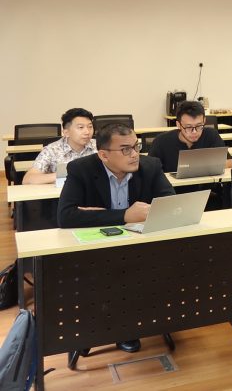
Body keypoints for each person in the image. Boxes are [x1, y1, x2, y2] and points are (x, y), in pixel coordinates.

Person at [57, 122, 175, 355]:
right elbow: (66, 216)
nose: (134, 154)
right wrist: (123, 215)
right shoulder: (81, 169)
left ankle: (128, 328)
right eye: (125, 149)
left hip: (139, 246)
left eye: (136, 146)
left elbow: (169, 205)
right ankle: (96, 330)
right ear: (104, 155)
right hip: (96, 248)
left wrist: (97, 214)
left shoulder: (150, 166)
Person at [147, 100, 229, 173]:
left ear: (204, 121)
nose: (194, 132)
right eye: (188, 127)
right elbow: (150, 171)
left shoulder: (211, 135)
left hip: (207, 185)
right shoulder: (161, 142)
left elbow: (229, 163)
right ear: (178, 125)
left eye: (199, 126)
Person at [24, 107, 96, 185]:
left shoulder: (99, 146)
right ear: (66, 132)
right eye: (81, 127)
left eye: (90, 127)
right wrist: (63, 175)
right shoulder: (52, 150)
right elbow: (28, 179)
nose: (87, 132)